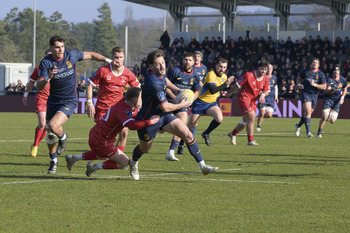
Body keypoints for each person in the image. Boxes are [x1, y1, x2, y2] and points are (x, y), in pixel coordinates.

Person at [129, 50, 219, 181]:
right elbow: (165, 106)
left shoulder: (160, 76)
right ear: (151, 67)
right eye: (158, 64)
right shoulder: (153, 82)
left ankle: (203, 166)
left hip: (163, 116)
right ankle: (133, 162)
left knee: (187, 134)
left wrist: (177, 90)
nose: (162, 66)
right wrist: (182, 104)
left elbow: (165, 80)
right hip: (149, 119)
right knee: (145, 149)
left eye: (163, 63)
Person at [37, 35, 111, 174]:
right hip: (53, 100)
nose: (61, 50)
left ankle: (63, 137)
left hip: (69, 100)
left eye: (62, 47)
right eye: (57, 47)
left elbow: (91, 55)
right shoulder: (45, 63)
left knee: (52, 126)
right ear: (51, 48)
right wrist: (48, 77)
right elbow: (40, 86)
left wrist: (109, 61)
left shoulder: (71, 55)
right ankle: (53, 160)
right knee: (50, 133)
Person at [64, 87, 159, 177]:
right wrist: (150, 122)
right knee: (124, 163)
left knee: (103, 155)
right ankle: (93, 167)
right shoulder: (123, 109)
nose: (142, 100)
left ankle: (74, 158)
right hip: (101, 140)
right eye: (140, 98)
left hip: (97, 135)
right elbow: (131, 125)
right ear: (134, 99)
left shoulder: (126, 105)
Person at [86, 47, 141, 153]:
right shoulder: (103, 71)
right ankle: (99, 154)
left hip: (119, 109)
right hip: (103, 108)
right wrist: (90, 104)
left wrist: (138, 102)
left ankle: (119, 156)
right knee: (102, 137)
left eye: (121, 57)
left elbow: (138, 87)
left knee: (124, 131)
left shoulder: (128, 73)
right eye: (116, 57)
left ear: (124, 58)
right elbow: (89, 85)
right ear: (112, 57)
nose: (118, 59)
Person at [187, 58, 234, 147]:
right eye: (220, 66)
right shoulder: (211, 74)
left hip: (211, 103)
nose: (222, 69)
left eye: (224, 67)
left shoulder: (224, 77)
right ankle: (181, 146)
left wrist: (222, 91)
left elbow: (218, 89)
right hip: (200, 102)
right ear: (216, 66)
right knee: (190, 126)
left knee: (219, 119)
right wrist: (225, 85)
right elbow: (212, 90)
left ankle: (206, 133)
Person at [164, 52, 201, 161]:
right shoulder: (175, 71)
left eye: (190, 60)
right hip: (169, 102)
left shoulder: (195, 76)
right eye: (185, 59)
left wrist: (189, 101)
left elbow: (196, 92)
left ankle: (171, 151)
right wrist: (173, 97)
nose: (187, 62)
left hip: (182, 105)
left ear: (193, 62)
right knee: (160, 128)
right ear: (182, 60)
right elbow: (165, 85)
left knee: (181, 125)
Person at [227, 60, 271, 146]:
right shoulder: (248, 75)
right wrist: (229, 94)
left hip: (253, 100)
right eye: (262, 69)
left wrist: (263, 94)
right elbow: (237, 85)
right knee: (251, 116)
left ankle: (233, 133)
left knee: (246, 120)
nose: (263, 71)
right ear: (258, 68)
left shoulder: (265, 78)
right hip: (244, 97)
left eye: (265, 70)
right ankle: (250, 141)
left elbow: (267, 91)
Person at [176, 50, 208, 155]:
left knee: (194, 122)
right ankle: (181, 144)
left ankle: (185, 143)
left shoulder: (204, 69)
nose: (197, 58)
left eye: (199, 56)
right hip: (187, 96)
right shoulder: (190, 68)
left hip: (196, 96)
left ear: (201, 59)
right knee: (184, 122)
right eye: (196, 56)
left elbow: (205, 82)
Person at [22, 49, 52, 157]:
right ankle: (35, 147)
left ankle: (36, 145)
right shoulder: (39, 69)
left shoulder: (59, 71)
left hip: (52, 100)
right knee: (42, 123)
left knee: (47, 126)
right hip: (41, 98)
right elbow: (31, 82)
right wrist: (25, 95)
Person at [295, 58, 327, 138]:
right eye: (313, 62)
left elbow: (324, 87)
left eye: (316, 63)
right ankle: (308, 132)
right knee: (308, 111)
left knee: (307, 114)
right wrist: (299, 85)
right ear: (311, 64)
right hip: (305, 93)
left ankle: (298, 125)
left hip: (314, 95)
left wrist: (315, 85)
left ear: (319, 65)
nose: (314, 64)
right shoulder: (305, 71)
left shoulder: (320, 74)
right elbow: (298, 79)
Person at [316, 67, 348, 138]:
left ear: (339, 72)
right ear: (333, 72)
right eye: (334, 70)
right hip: (328, 100)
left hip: (336, 102)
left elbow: (345, 89)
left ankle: (327, 117)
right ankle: (319, 133)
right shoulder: (329, 79)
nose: (336, 72)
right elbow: (328, 91)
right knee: (324, 116)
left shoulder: (343, 80)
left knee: (332, 121)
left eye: (337, 70)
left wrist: (342, 97)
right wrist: (335, 88)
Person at [256, 64, 279, 131]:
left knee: (269, 115)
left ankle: (261, 116)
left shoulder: (274, 78)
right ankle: (258, 126)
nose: (269, 70)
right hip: (263, 97)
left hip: (271, 98)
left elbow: (275, 87)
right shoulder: (262, 77)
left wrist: (276, 96)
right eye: (268, 69)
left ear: (272, 70)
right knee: (262, 112)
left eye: (270, 69)